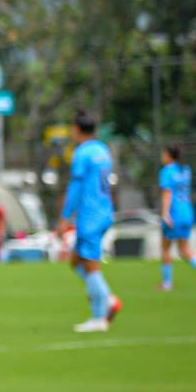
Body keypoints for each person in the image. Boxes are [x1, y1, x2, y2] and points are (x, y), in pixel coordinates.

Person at [56, 110, 121, 333]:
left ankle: (101, 313)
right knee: (75, 261)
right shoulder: (103, 151)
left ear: (77, 129)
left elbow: (76, 187)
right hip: (104, 212)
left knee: (91, 265)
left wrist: (64, 217)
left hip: (90, 216)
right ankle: (104, 302)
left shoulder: (81, 153)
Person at [157, 144, 196, 291]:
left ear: (169, 155)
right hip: (187, 211)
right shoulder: (185, 170)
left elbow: (167, 194)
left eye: (163, 154)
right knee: (184, 249)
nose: (162, 157)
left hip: (174, 213)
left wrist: (165, 213)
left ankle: (167, 284)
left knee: (166, 248)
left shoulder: (166, 172)